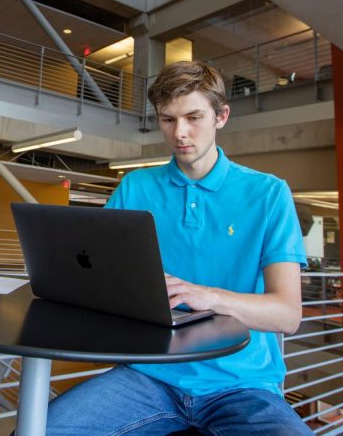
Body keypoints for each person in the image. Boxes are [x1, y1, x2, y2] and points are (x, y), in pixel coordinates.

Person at [44, 61, 311, 435]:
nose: (180, 133)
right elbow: (98, 276)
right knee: (40, 430)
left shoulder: (268, 193)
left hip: (242, 384)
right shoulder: (136, 187)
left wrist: (208, 296)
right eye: (167, 119)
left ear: (221, 117)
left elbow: (287, 314)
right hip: (147, 375)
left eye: (193, 117)